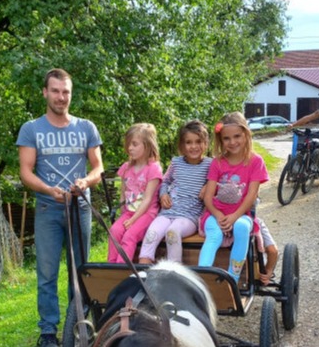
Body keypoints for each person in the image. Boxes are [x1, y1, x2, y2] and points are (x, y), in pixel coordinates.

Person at [17, 69, 104, 347]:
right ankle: (48, 333)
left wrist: (85, 182)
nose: (61, 97)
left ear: (71, 93)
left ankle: (79, 325)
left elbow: (98, 167)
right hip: (48, 207)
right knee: (47, 272)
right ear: (45, 92)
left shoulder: (86, 127)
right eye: (55, 91)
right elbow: (26, 172)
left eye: (65, 91)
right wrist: (48, 189)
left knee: (80, 270)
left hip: (79, 206)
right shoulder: (31, 129)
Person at [198, 111, 269, 283]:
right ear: (221, 141)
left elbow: (251, 196)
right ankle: (201, 279)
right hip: (215, 214)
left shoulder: (255, 161)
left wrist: (234, 217)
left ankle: (232, 279)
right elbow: (208, 197)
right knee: (214, 235)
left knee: (242, 229)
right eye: (226, 139)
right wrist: (218, 214)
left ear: (246, 134)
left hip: (241, 214)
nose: (232, 142)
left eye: (237, 136)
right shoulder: (218, 162)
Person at [138, 120, 212, 264]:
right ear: (182, 145)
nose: (194, 146)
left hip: (189, 216)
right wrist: (163, 194)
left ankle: (174, 272)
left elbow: (218, 180)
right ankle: (142, 271)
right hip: (167, 212)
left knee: (172, 233)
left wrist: (208, 184)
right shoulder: (176, 162)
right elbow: (165, 181)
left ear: (205, 143)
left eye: (198, 141)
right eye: (189, 142)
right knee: (151, 234)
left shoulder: (210, 164)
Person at [108, 123, 163, 263]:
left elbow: (148, 199)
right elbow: (123, 193)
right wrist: (123, 215)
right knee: (114, 231)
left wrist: (133, 220)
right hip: (128, 213)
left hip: (146, 214)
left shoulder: (153, 169)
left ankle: (121, 269)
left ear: (147, 145)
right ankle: (110, 267)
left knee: (129, 236)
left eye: (134, 144)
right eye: (128, 144)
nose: (129, 148)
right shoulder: (126, 167)